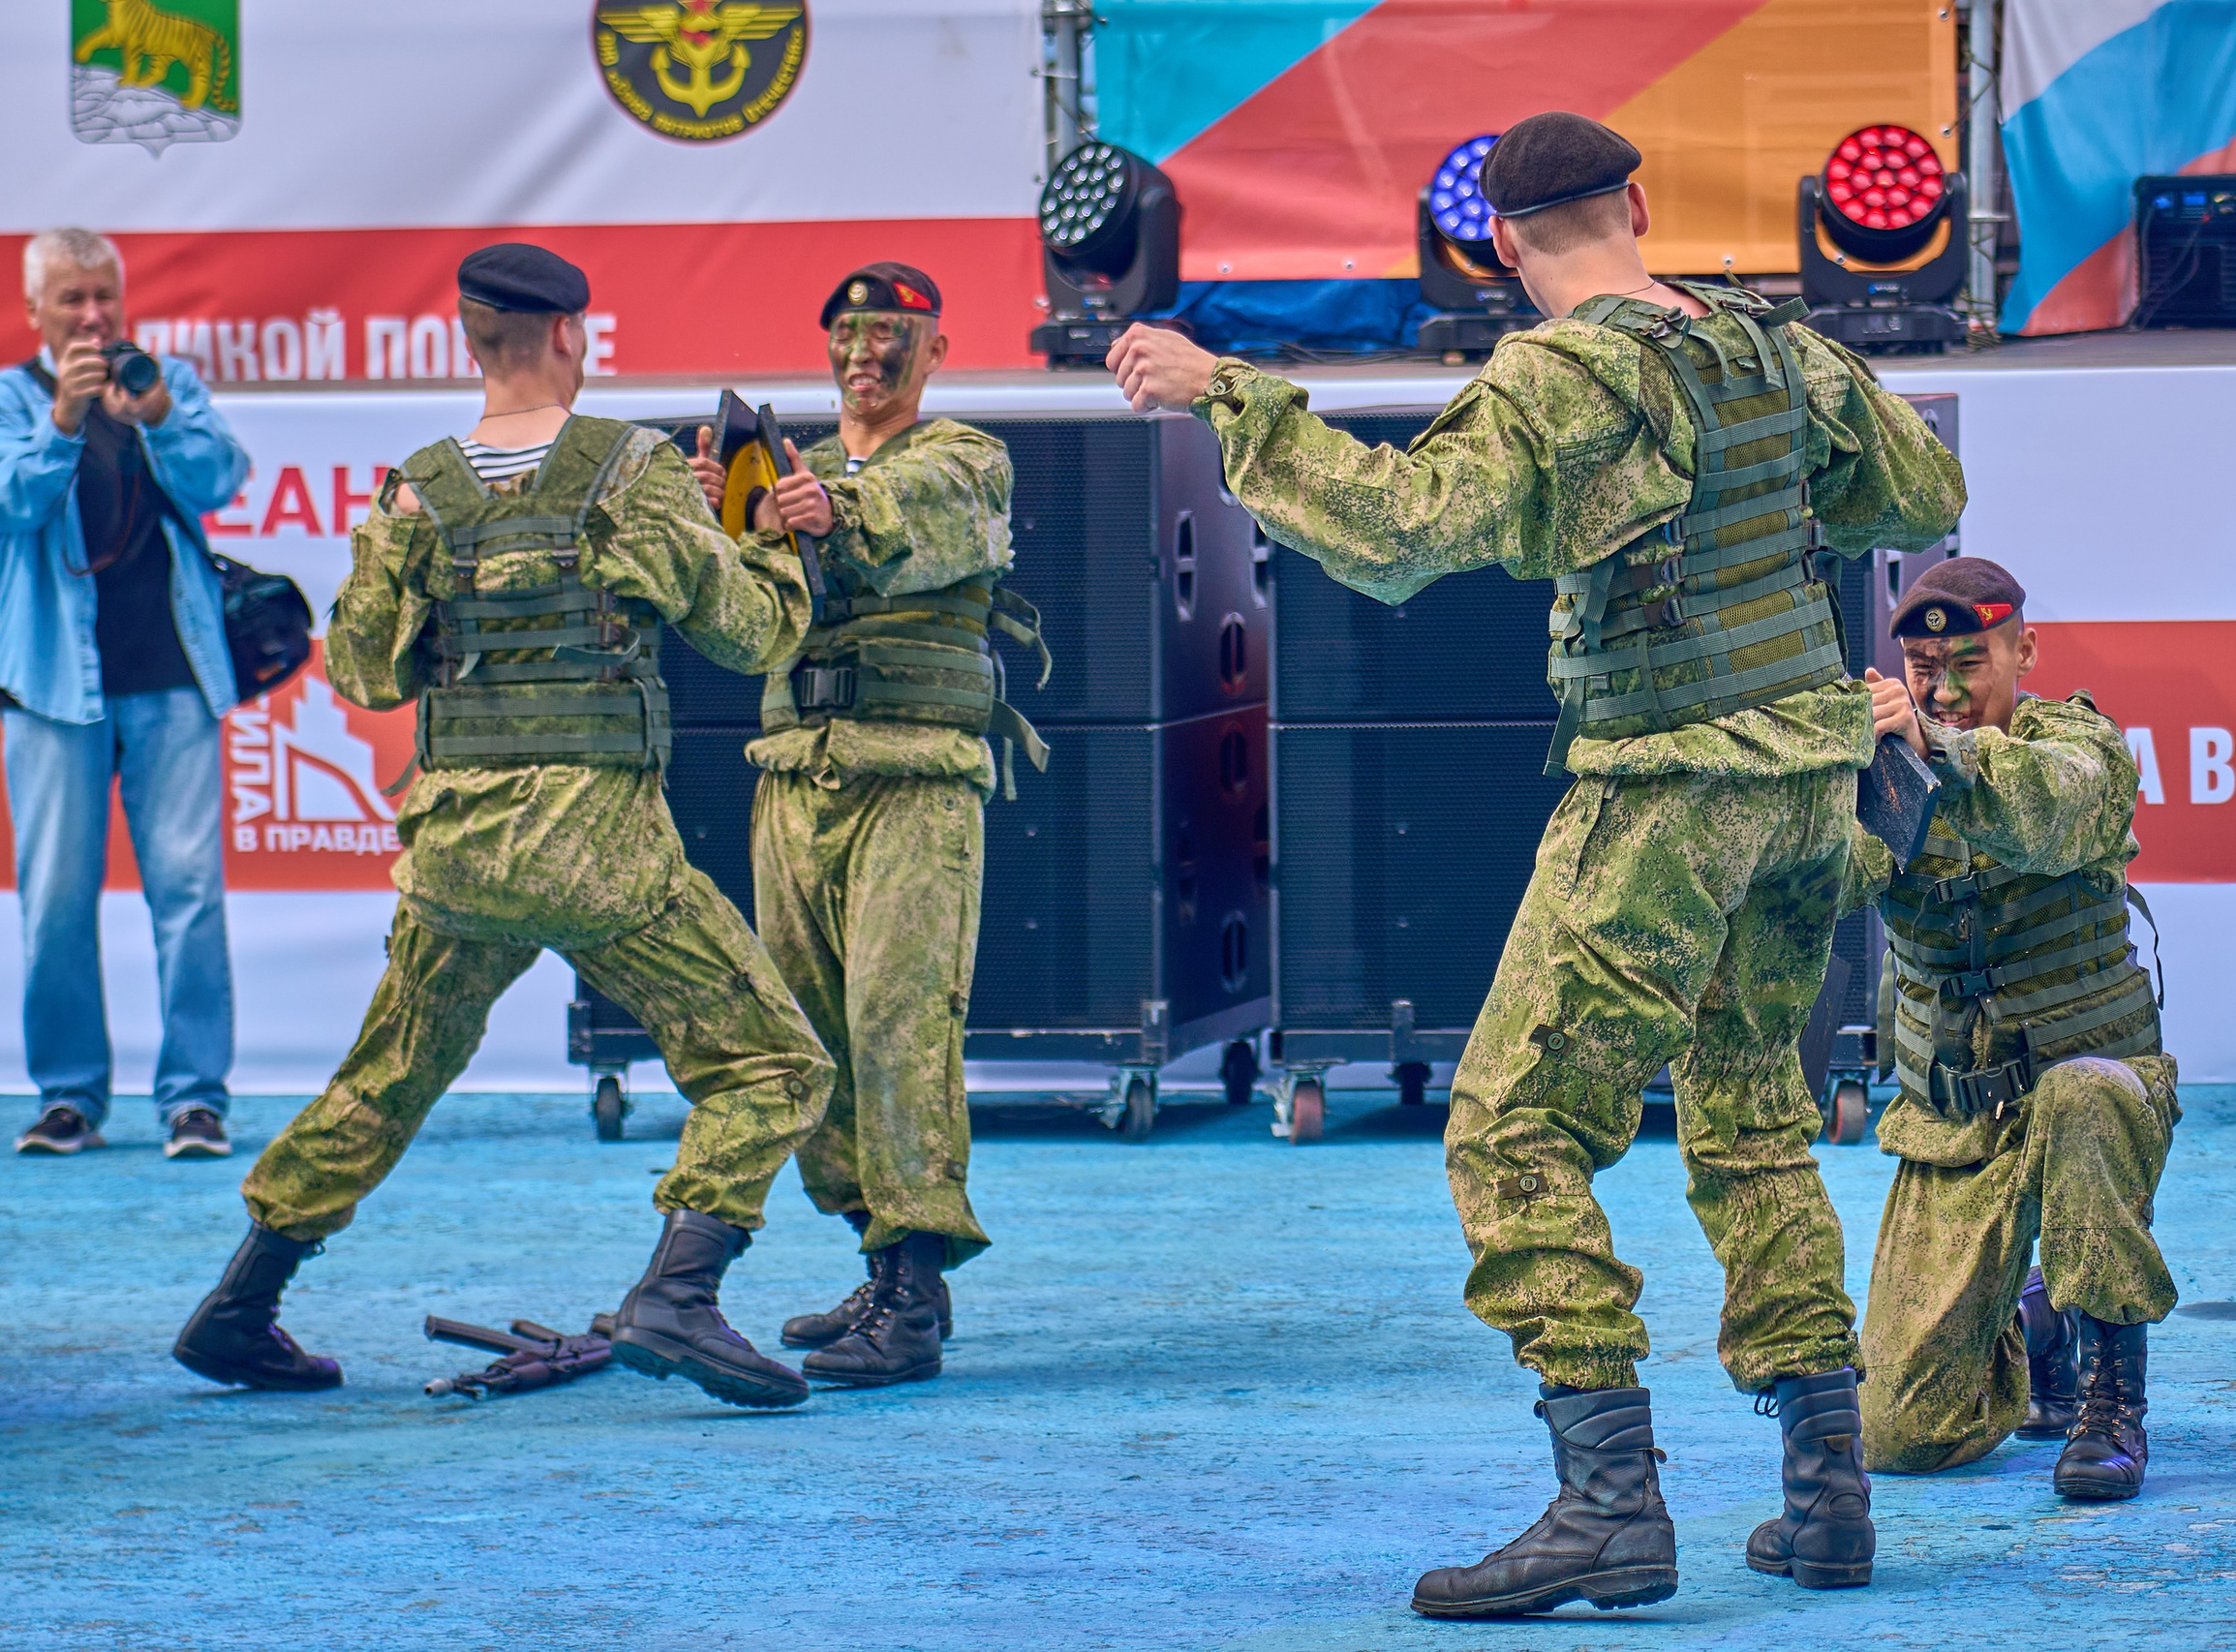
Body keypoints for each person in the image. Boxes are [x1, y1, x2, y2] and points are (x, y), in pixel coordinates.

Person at [1109, 110, 1964, 1616]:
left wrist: (1226, 392)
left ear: (1499, 244)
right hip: (1807, 788)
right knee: (1753, 1113)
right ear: (1640, 201)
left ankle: (1610, 1506)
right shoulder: (1774, 345)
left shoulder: (1558, 378)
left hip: (1667, 790)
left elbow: (1391, 531)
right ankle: (1830, 1497)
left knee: (1510, 1130)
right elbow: (1920, 500)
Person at [170, 244, 838, 1411]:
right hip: (599, 851)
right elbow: (751, 635)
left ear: (469, 342)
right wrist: (773, 541)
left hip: (458, 851)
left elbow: (370, 675)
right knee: (775, 1063)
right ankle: (678, 1292)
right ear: (573, 335)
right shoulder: (630, 472)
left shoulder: (415, 487)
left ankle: (241, 1304)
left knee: (388, 1076)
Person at [688, 262, 1042, 1390]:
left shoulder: (962, 459)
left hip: (911, 779)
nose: (865, 353)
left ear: (934, 349)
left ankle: (916, 1289)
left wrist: (829, 507)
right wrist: (714, 526)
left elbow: (914, 523)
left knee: (901, 1024)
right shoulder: (787, 481)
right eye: (846, 331)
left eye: (892, 334)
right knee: (812, 1035)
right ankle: (881, 1259)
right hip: (794, 774)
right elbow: (739, 624)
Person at [1843, 557, 2173, 1502]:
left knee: (2083, 1096)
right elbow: (1827, 881)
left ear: (2024, 650)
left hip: (2091, 1080)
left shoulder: (2080, 748)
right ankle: (2037, 1327)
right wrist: (1821, 778)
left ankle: (2111, 1394)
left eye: (1969, 662)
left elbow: (2049, 814)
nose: (1943, 690)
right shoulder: (1886, 765)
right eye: (1922, 667)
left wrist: (1940, 752)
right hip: (1957, 1121)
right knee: (1902, 1431)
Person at [2, 228, 248, 1160]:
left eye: (104, 294)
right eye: (72, 299)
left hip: (172, 676)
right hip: (52, 687)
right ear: (35, 312)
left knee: (188, 890)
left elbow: (222, 478)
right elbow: (12, 507)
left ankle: (195, 1099)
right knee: (55, 899)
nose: (94, 315)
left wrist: (156, 417)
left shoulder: (163, 381)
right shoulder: (10, 399)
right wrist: (62, 423)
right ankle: (70, 1098)